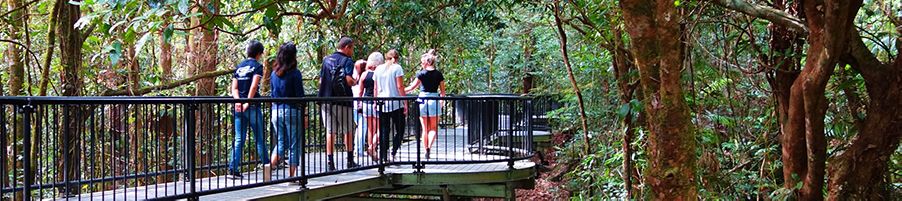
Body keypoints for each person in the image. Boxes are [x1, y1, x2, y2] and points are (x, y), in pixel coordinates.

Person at [228, 40, 268, 179]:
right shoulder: (257, 67)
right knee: (259, 138)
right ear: (259, 53)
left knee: (239, 138)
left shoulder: (239, 67)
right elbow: (254, 86)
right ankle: (267, 166)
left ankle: (233, 169)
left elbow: (234, 88)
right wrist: (247, 102)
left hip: (238, 107)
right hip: (252, 106)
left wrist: (238, 101)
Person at [318, 36, 359, 170]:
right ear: (347, 47)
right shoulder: (347, 61)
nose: (352, 51)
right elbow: (348, 80)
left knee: (330, 131)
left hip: (326, 100)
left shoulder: (326, 60)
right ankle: (350, 161)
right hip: (342, 100)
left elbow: (320, 81)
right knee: (348, 130)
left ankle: (330, 163)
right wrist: (356, 81)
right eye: (352, 48)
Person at [269, 42, 305, 178]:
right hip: (291, 110)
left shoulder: (274, 74)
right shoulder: (295, 74)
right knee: (294, 144)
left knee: (281, 141)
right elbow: (300, 96)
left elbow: (273, 94)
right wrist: (304, 114)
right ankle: (292, 176)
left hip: (276, 111)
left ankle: (269, 168)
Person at [405, 50, 446, 160]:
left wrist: (400, 90)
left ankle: (425, 149)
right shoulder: (439, 74)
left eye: (422, 62)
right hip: (434, 100)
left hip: (422, 100)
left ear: (427, 62)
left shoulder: (421, 74)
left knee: (425, 129)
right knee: (433, 128)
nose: (422, 64)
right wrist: (442, 101)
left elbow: (412, 87)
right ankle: (428, 148)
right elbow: (442, 91)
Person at [374, 49, 407, 162]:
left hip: (382, 103)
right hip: (396, 103)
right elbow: (400, 86)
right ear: (396, 58)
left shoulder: (378, 68)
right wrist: (405, 102)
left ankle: (384, 156)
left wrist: (375, 101)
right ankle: (393, 152)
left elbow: (375, 87)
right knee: (400, 130)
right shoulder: (397, 68)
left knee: (384, 130)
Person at [359, 52, 384, 161]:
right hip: (376, 103)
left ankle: (372, 149)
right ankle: (372, 147)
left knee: (370, 128)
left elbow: (360, 91)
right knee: (380, 128)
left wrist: (359, 102)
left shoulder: (364, 74)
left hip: (365, 102)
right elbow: (379, 89)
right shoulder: (379, 74)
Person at [352, 60, 368, 159]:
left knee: (360, 128)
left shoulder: (354, 80)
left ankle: (357, 149)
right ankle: (358, 150)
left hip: (354, 106)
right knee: (362, 128)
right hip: (360, 106)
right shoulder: (363, 80)